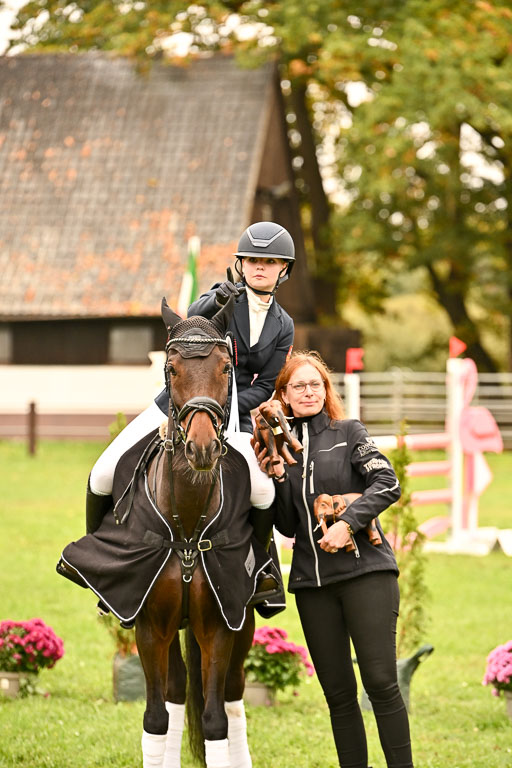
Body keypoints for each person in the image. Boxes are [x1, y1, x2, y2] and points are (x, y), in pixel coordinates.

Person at [84, 222, 295, 599]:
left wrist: (224, 409)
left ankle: (259, 572)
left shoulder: (284, 325)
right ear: (241, 265)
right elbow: (191, 318)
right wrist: (217, 301)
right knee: (101, 474)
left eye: (269, 261)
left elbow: (265, 384)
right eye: (252, 260)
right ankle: (102, 568)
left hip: (232, 413)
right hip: (177, 406)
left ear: (283, 270)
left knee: (263, 492)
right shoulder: (220, 297)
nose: (259, 267)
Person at [254, 351, 414, 768]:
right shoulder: (280, 451)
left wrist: (349, 522)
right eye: (298, 386)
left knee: (380, 683)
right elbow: (288, 527)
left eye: (315, 384)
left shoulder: (349, 432)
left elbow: (387, 482)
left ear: (326, 391)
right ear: (284, 397)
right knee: (339, 695)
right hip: (313, 586)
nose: (308, 392)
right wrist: (272, 479)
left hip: (367, 574)